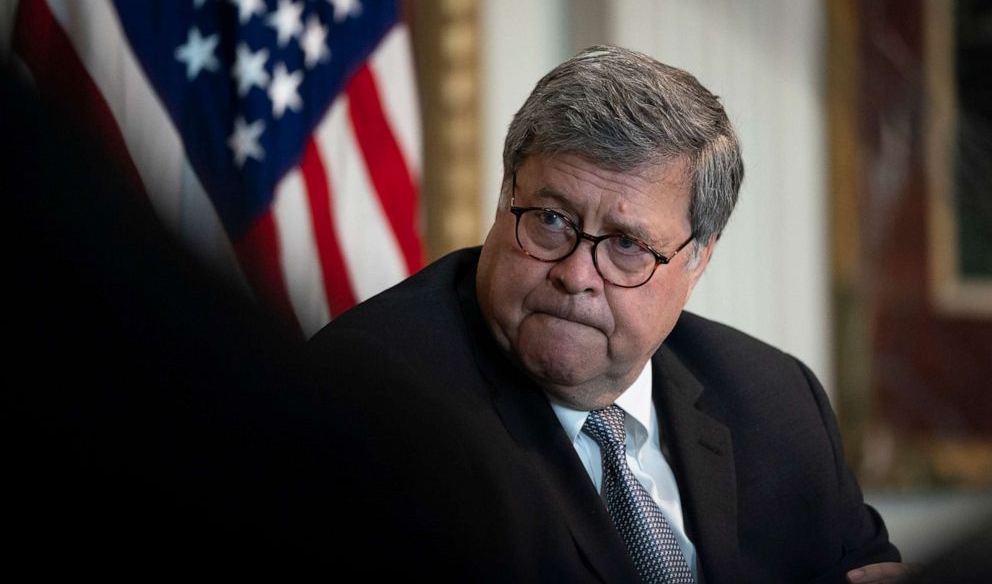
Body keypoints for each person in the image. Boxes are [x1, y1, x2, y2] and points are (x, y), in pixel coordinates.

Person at [305, 45, 908, 582]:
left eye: (626, 244)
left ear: (696, 261)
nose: (574, 274)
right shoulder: (374, 400)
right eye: (550, 220)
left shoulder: (775, 400)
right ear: (504, 197)